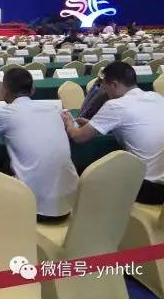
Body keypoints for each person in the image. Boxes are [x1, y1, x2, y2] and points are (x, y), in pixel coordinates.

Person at [0, 68, 79, 222]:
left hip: (30, 208)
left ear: (4, 91)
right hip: (69, 204)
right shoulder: (55, 110)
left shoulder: (3, 113)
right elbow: (74, 127)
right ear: (33, 89)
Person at [61, 61, 164, 205]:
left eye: (105, 87)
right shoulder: (157, 97)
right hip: (159, 183)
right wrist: (95, 124)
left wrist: (68, 123)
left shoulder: (116, 105)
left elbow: (78, 137)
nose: (105, 92)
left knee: (85, 172)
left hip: (146, 187)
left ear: (114, 85)